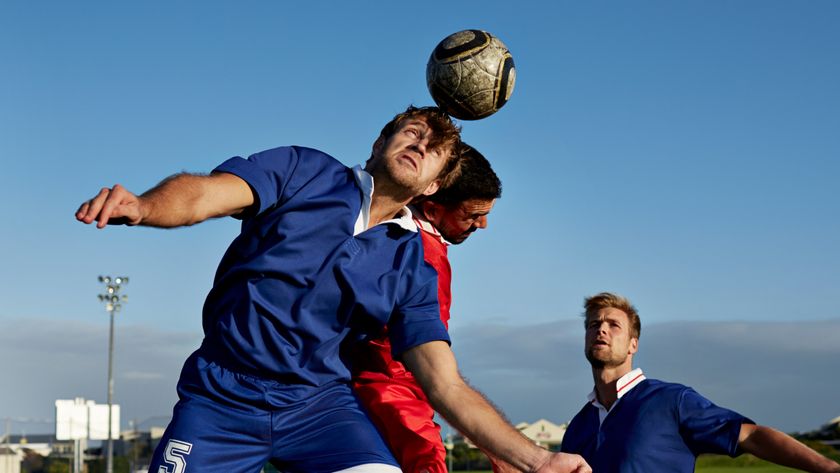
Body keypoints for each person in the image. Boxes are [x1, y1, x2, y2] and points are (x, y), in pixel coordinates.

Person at [76, 106, 590, 473]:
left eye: (433, 150)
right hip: (221, 398)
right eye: (411, 132)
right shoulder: (303, 171)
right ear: (379, 143)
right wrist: (145, 207)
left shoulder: (412, 265)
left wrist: (539, 459)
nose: (419, 145)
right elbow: (205, 196)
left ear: (433, 186)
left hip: (318, 409)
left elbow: (445, 385)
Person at [560, 292, 840, 473]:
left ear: (633, 344)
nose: (601, 329)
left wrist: (828, 468)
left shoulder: (671, 401)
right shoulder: (577, 427)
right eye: (593, 324)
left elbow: (751, 436)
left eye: (613, 324)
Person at [352, 143, 502, 473]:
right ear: (432, 209)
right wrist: (427, 454)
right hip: (386, 413)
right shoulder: (424, 256)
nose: (483, 225)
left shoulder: (373, 231)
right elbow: (398, 371)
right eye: (473, 215)